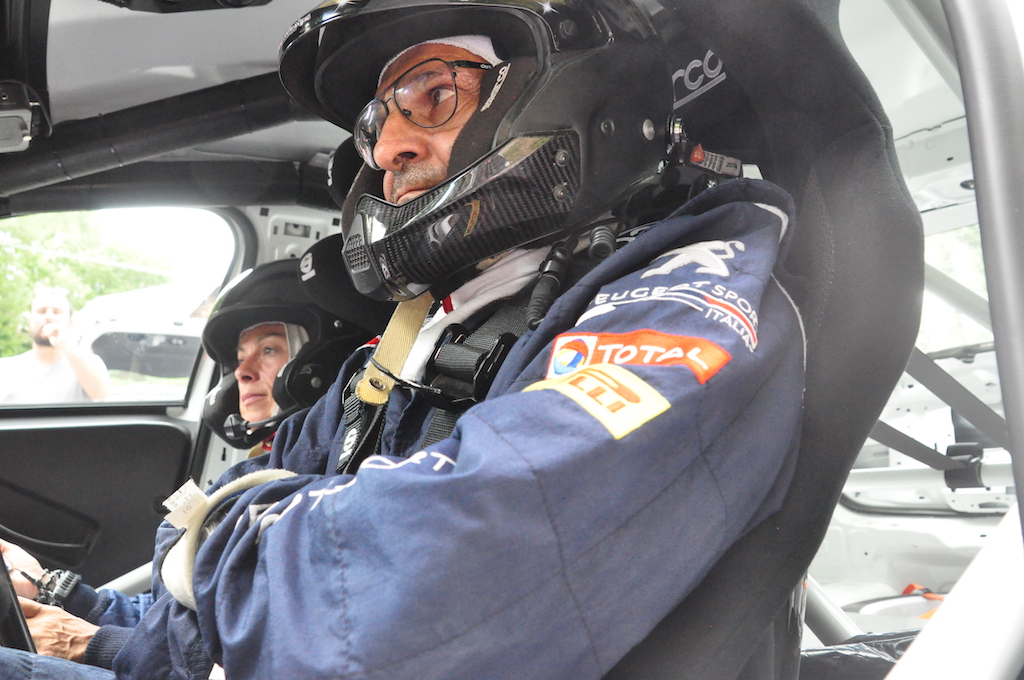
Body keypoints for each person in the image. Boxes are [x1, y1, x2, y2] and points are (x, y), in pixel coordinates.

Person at [0, 1, 804, 678]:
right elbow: (223, 564)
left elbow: (403, 594)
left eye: (432, 94)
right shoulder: (418, 338)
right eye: (375, 122)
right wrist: (81, 612)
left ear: (567, 89)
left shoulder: (686, 300)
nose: (386, 149)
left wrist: (219, 539)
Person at [0, 258, 390, 671]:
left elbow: (260, 652)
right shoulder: (267, 467)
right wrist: (52, 587)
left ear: (323, 360)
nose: (242, 372)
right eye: (239, 357)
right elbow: (177, 611)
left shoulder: (336, 489)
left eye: (269, 349)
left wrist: (91, 643)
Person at [0, 288, 112, 404]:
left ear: (70, 322)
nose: (49, 317)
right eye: (42, 311)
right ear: (29, 320)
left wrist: (66, 345)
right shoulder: (6, 368)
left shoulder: (89, 364)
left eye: (57, 312)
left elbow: (101, 395)